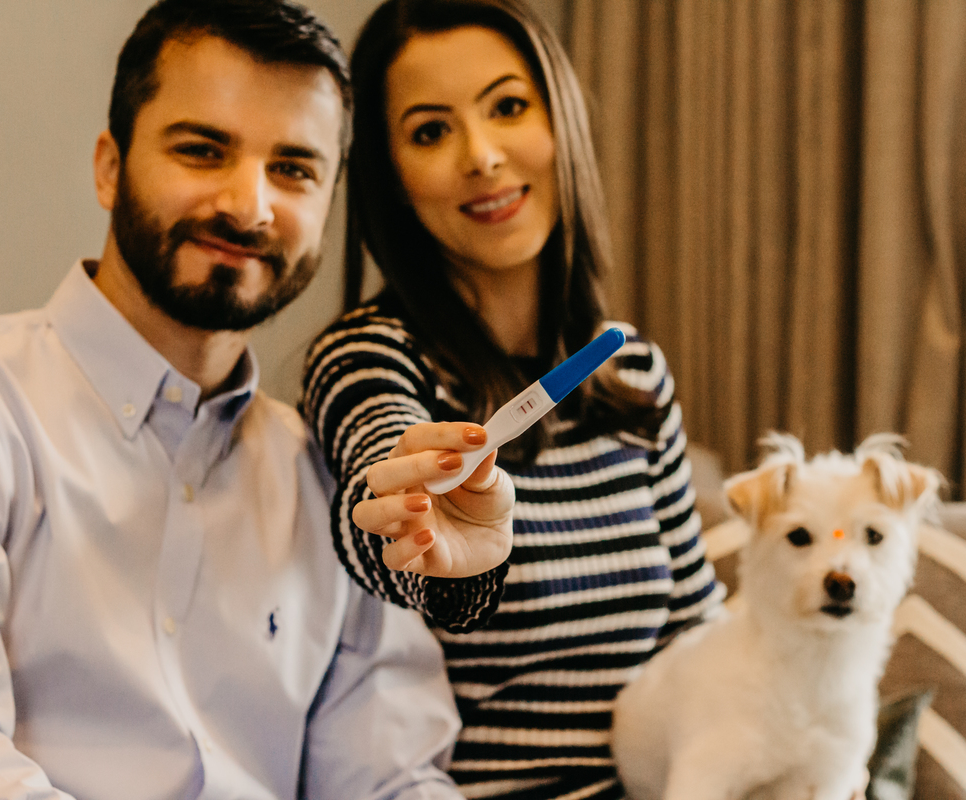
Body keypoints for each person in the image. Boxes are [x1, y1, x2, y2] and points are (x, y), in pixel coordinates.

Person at [0, 1, 515, 798]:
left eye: (294, 169)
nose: (249, 206)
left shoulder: (325, 478)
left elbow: (392, 777)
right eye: (203, 150)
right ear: (109, 166)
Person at [300, 1, 725, 797]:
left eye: (507, 107)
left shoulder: (633, 374)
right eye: (431, 131)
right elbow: (378, 482)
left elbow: (696, 634)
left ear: (559, 121)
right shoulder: (369, 358)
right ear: (391, 176)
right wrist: (431, 541)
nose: (483, 157)